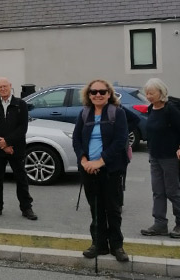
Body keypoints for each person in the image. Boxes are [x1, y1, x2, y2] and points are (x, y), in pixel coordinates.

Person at [72, 79, 129, 262]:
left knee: (112, 209)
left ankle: (117, 246)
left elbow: (120, 142)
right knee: (96, 209)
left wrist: (100, 162)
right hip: (88, 170)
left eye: (102, 92)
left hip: (110, 169)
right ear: (88, 95)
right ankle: (99, 244)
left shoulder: (117, 113)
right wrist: (83, 160)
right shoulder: (84, 113)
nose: (98, 95)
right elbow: (76, 140)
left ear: (109, 94)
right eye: (94, 92)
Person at [140, 78, 180, 239]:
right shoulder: (150, 109)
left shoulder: (170, 110)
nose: (148, 96)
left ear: (161, 93)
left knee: (172, 192)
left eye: (151, 93)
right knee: (158, 192)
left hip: (170, 157)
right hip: (154, 157)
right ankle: (160, 224)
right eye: (147, 93)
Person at [0, 77, 37, 221]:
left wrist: (8, 142)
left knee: (21, 179)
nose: (3, 89)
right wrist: (2, 145)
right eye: (0, 87)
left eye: (5, 86)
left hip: (16, 148)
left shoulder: (20, 104)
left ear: (10, 86)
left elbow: (23, 128)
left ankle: (27, 208)